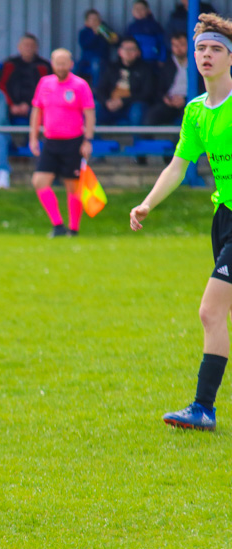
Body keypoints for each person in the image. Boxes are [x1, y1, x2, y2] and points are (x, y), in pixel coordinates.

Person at [131, 14, 232, 432]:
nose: (206, 55)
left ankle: (203, 409)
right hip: (224, 217)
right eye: (201, 49)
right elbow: (178, 166)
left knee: (210, 311)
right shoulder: (194, 111)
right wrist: (148, 203)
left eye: (216, 49)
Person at [30, 48, 96, 238]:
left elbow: (89, 113)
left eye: (63, 63)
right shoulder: (45, 83)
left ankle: (73, 229)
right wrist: (33, 137)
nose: (60, 66)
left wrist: (87, 140)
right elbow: (37, 111)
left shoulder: (80, 85)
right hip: (50, 141)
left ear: (70, 64)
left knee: (72, 186)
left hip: (73, 142)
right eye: (57, 63)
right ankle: (58, 225)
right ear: (52, 64)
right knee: (39, 181)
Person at [96, 37, 155, 126]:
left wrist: (123, 101)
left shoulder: (145, 69)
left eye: (132, 49)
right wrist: (106, 102)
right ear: (119, 52)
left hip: (130, 107)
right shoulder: (111, 68)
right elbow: (100, 89)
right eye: (125, 49)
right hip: (111, 106)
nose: (128, 52)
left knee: (137, 109)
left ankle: (137, 140)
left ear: (138, 53)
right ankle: (92, 140)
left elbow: (147, 94)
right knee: (95, 107)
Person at [0, 33, 50, 126]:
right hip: (11, 107)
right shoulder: (10, 64)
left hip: (35, 107)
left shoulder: (44, 66)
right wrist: (11, 105)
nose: (29, 48)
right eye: (26, 45)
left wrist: (30, 105)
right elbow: (2, 86)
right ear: (19, 47)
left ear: (36, 48)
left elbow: (46, 89)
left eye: (32, 46)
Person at [145, 32, 196, 126]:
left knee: (187, 119)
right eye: (175, 45)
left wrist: (185, 99)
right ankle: (147, 141)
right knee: (151, 116)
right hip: (170, 101)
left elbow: (204, 88)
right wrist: (165, 98)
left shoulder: (197, 64)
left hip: (190, 101)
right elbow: (159, 89)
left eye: (182, 45)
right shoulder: (167, 65)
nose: (178, 49)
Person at [76, 9, 118, 88]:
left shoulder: (105, 30)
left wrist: (106, 33)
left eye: (97, 19)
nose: (95, 21)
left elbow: (114, 42)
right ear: (87, 22)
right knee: (74, 67)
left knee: (96, 65)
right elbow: (85, 45)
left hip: (101, 59)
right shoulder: (83, 32)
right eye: (92, 19)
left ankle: (96, 92)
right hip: (85, 59)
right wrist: (94, 34)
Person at [126, 0, 167, 65]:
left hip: (152, 61)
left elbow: (162, 43)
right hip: (135, 61)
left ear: (148, 10)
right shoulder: (131, 27)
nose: (138, 11)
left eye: (141, 9)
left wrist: (162, 59)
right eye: (136, 9)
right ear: (132, 11)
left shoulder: (155, 25)